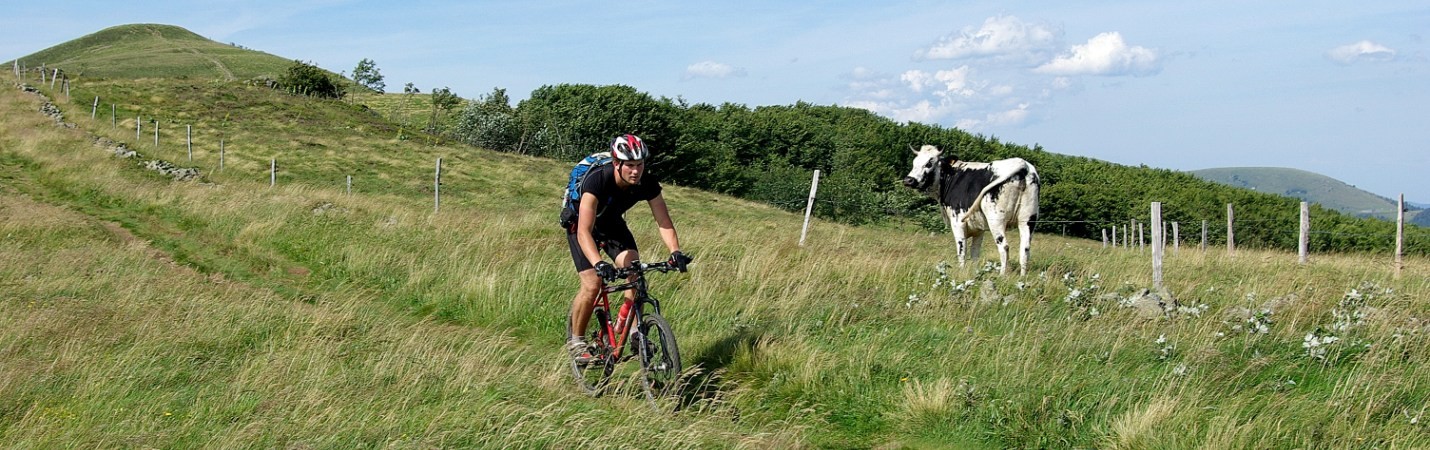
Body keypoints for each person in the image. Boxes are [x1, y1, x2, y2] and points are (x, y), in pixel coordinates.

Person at [567, 134, 690, 363]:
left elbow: (663, 221)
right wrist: (599, 263)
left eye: (640, 164)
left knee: (634, 268)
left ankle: (634, 330)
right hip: (581, 225)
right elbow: (584, 231)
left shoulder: (648, 183)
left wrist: (675, 251)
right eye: (630, 165)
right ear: (617, 163)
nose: (636, 171)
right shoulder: (598, 180)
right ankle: (576, 341)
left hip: (611, 222)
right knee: (593, 283)